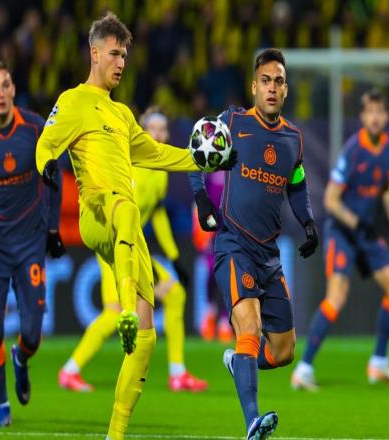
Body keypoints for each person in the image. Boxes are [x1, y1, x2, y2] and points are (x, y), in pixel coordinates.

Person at [35, 12, 233, 440]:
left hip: (126, 231)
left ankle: (116, 433)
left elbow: (157, 154)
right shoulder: (73, 101)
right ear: (94, 53)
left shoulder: (124, 114)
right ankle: (123, 309)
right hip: (96, 213)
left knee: (145, 341)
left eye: (125, 55)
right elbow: (45, 144)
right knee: (125, 207)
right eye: (114, 53)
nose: (121, 62)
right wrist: (46, 167)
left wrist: (203, 159)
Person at [190, 48, 318, 440]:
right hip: (234, 246)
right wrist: (201, 200)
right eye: (265, 81)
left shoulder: (293, 139)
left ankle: (239, 362)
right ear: (254, 87)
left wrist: (308, 222)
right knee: (249, 325)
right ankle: (252, 422)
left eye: (278, 81)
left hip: (269, 255)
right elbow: (196, 151)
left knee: (283, 351)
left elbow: (297, 183)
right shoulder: (232, 122)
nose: (272, 88)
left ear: (286, 89)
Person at [58, 107, 208, 393]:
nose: (159, 134)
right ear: (141, 132)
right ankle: (70, 370)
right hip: (113, 246)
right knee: (115, 312)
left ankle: (178, 374)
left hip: (134, 248)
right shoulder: (129, 164)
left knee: (174, 295)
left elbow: (158, 214)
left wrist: (175, 257)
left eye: (163, 129)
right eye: (153, 129)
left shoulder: (159, 172)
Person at [0, 61, 65, 428]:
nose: (2, 93)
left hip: (30, 242)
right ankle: (2, 406)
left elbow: (55, 177)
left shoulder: (35, 128)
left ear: (13, 90)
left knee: (32, 335)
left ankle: (21, 359)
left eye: (6, 85)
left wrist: (53, 230)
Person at [291, 89, 389, 391]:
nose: (375, 117)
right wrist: (358, 223)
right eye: (370, 112)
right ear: (362, 117)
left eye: (380, 111)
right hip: (343, 232)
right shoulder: (353, 150)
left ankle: (379, 362)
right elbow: (330, 200)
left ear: (386, 116)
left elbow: (385, 188)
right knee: (336, 298)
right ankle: (304, 368)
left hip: (366, 233)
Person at [191, 171, 234, 343]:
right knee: (211, 272)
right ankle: (210, 311)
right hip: (212, 227)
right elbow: (199, 198)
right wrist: (198, 226)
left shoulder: (236, 169)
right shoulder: (210, 170)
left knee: (228, 275)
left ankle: (225, 320)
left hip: (231, 228)